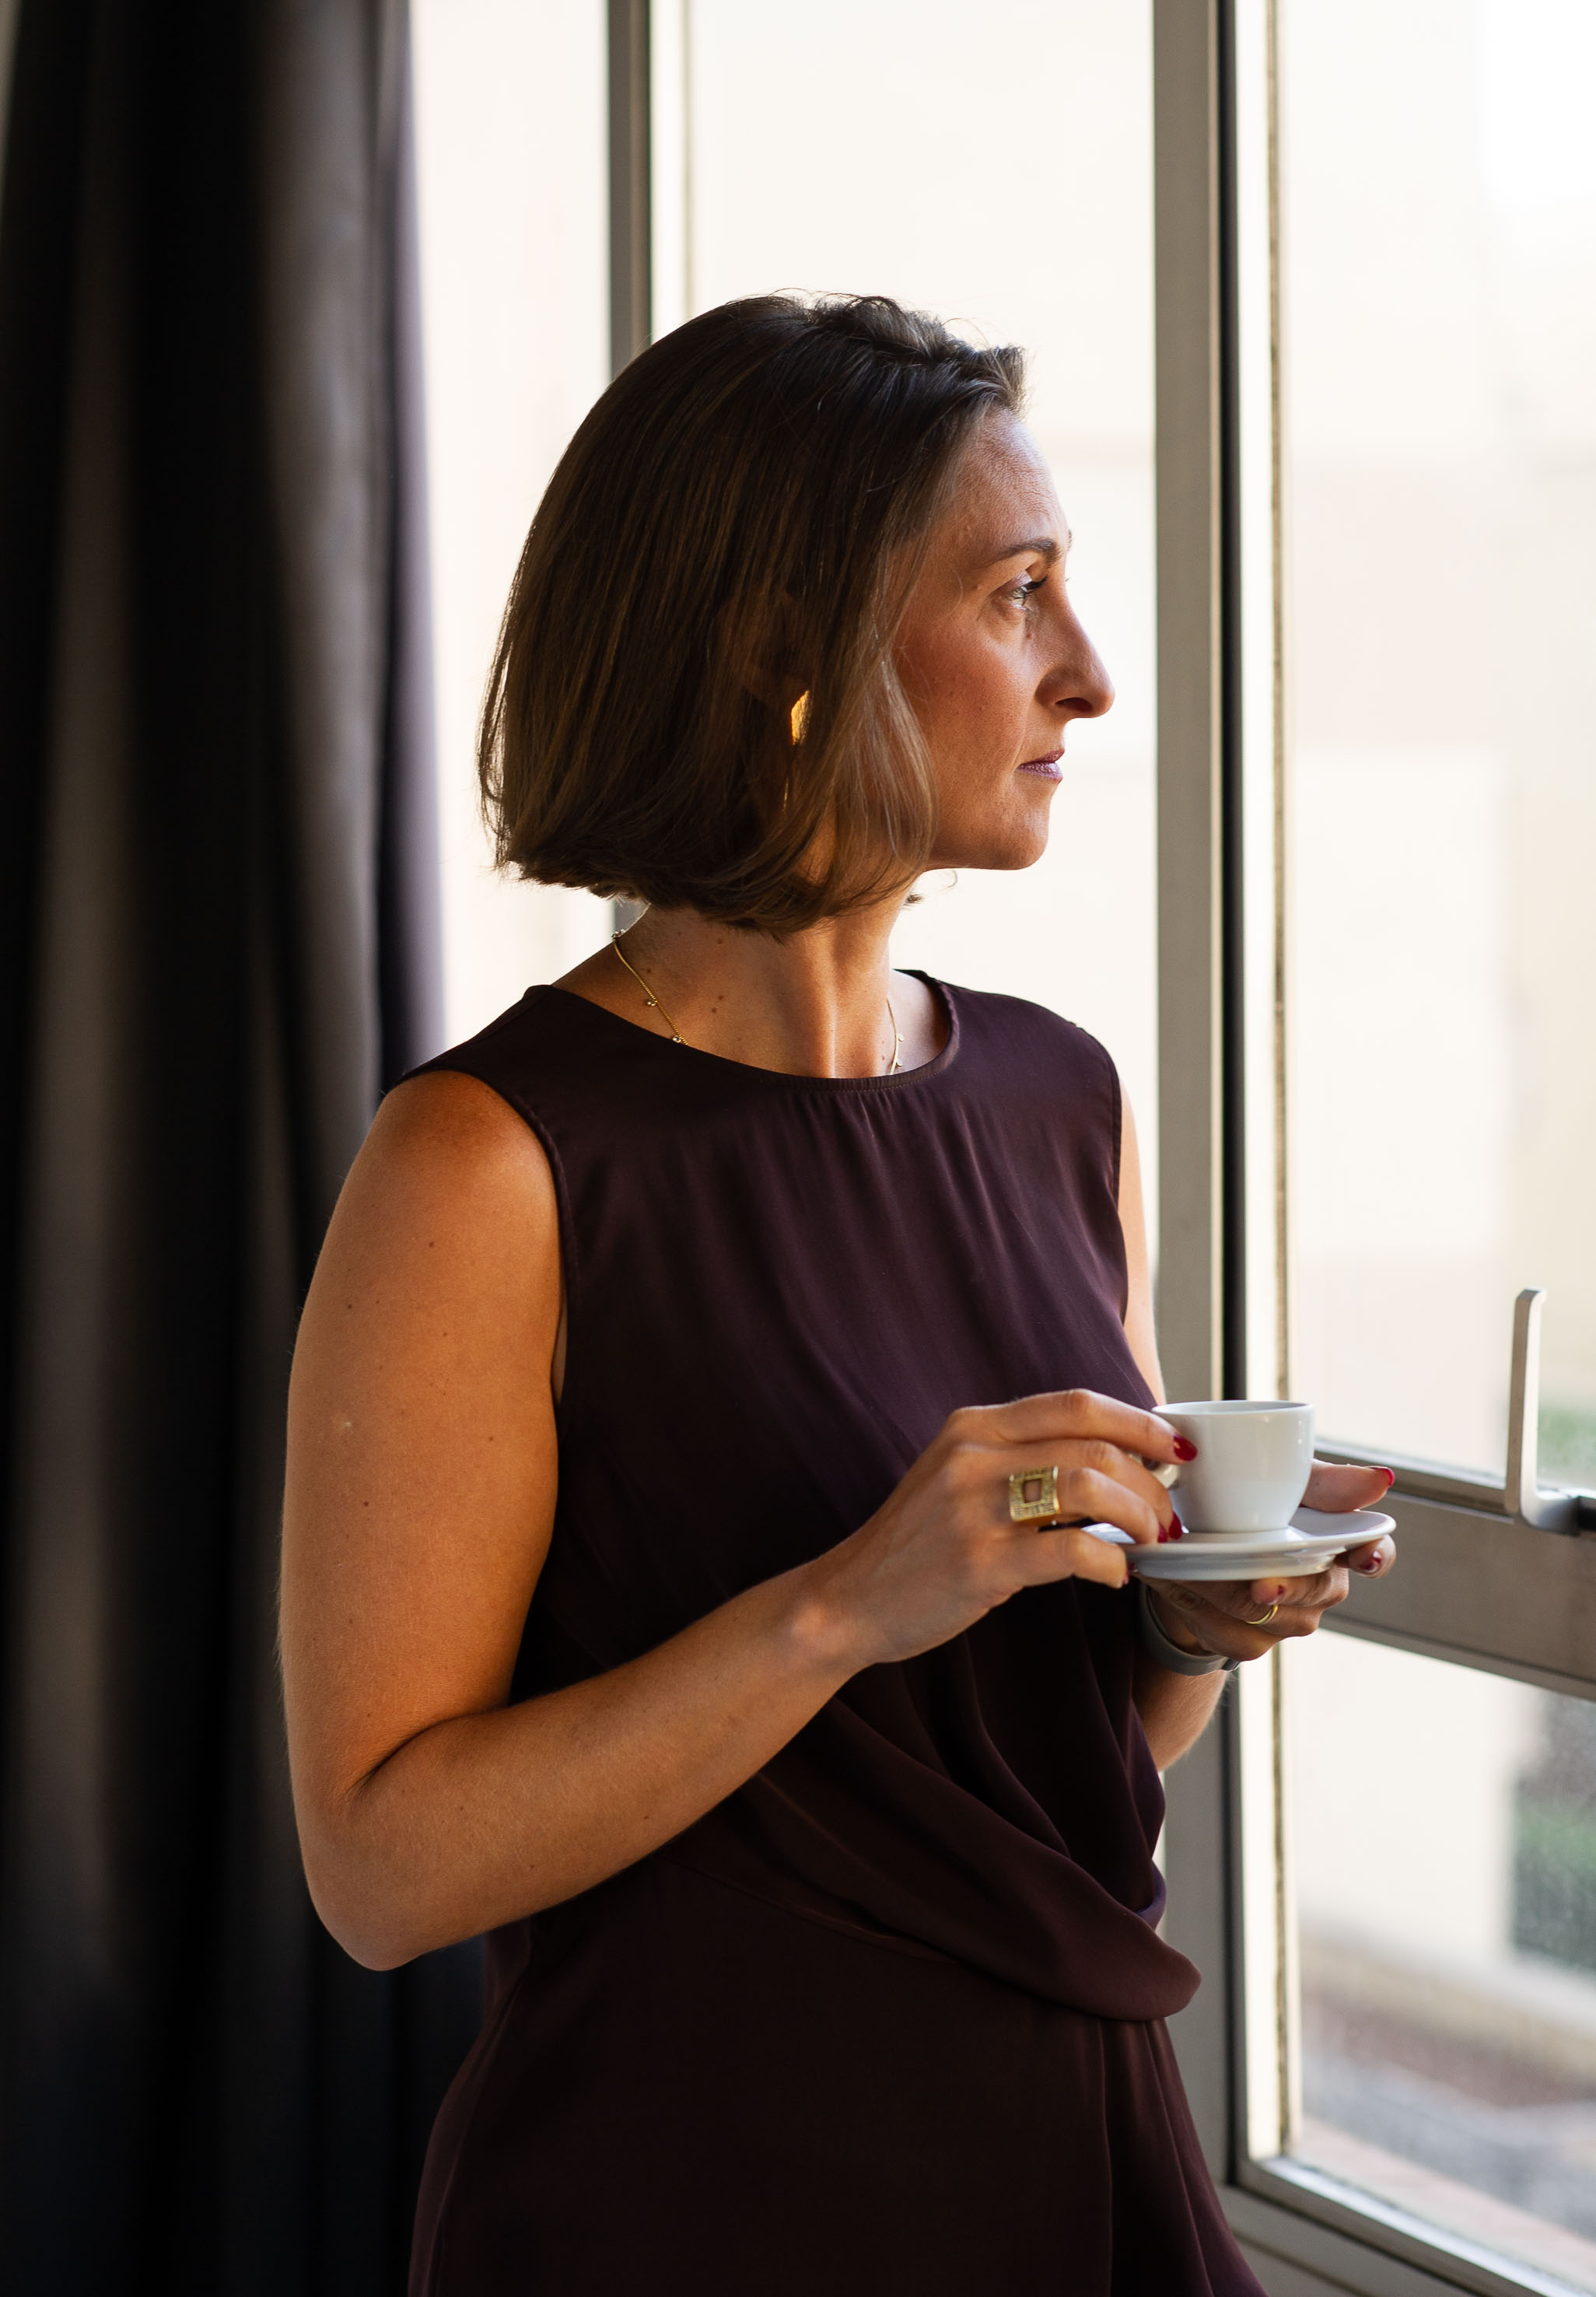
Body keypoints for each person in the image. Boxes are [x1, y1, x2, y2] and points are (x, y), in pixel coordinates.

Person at [280, 294, 1396, 2295]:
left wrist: (1197, 1628)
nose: (1092, 677)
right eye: (1017, 595)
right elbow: (378, 1867)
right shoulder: (486, 1164)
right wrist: (839, 1602)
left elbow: (1037, 1775)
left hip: (1082, 2178)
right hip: (692, 2202)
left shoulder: (1061, 1092)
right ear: (783, 651)